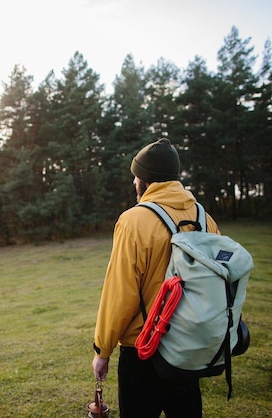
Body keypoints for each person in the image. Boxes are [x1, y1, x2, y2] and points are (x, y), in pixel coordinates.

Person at [91, 138, 220, 418]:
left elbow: (120, 292)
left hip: (143, 350)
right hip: (189, 347)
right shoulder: (204, 218)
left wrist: (103, 349)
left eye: (135, 176)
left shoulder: (133, 220)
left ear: (144, 180)